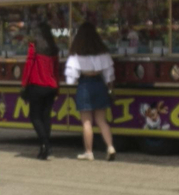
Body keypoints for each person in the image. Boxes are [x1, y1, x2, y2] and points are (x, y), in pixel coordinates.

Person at [64, 19, 116, 161]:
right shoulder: (103, 53)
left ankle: (89, 152)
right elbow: (109, 75)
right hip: (100, 84)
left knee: (86, 121)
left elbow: (71, 79)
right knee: (101, 120)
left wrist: (73, 81)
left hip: (85, 85)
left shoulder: (76, 55)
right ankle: (110, 146)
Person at [20, 22, 59, 159]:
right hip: (52, 86)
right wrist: (57, 87)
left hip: (37, 85)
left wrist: (24, 84)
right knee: (46, 116)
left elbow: (29, 66)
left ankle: (44, 144)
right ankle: (47, 147)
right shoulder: (53, 48)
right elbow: (56, 70)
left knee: (35, 116)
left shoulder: (34, 47)